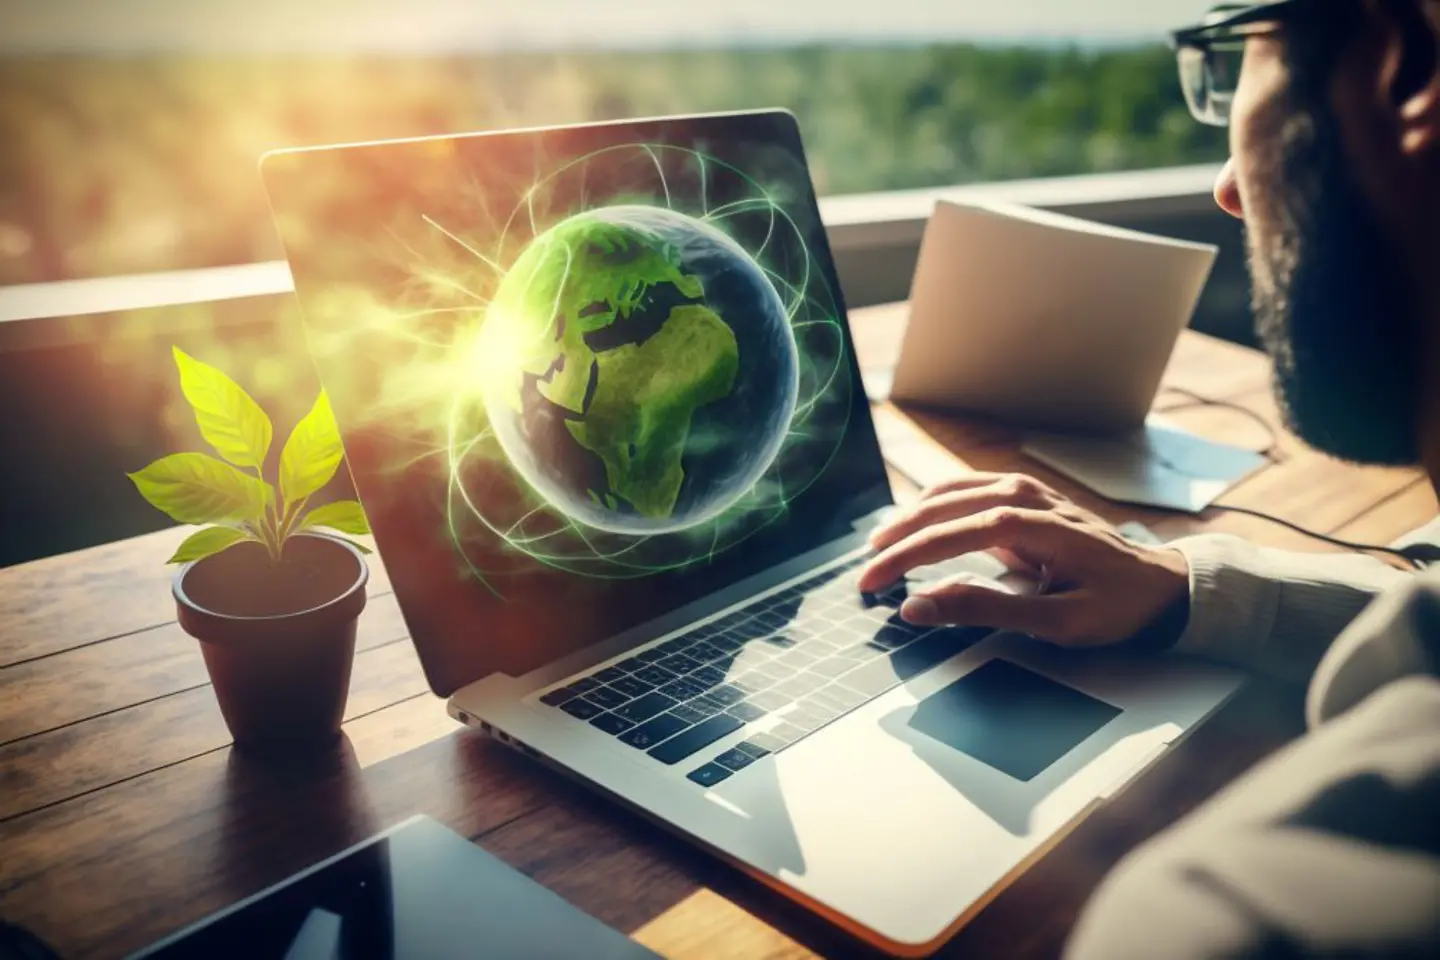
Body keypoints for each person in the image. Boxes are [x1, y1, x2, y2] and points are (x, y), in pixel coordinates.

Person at [857, 1, 1440, 955]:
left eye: (1248, 59)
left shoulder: (1227, 923)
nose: (1228, 189)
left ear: (1405, 69)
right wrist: (1190, 588)